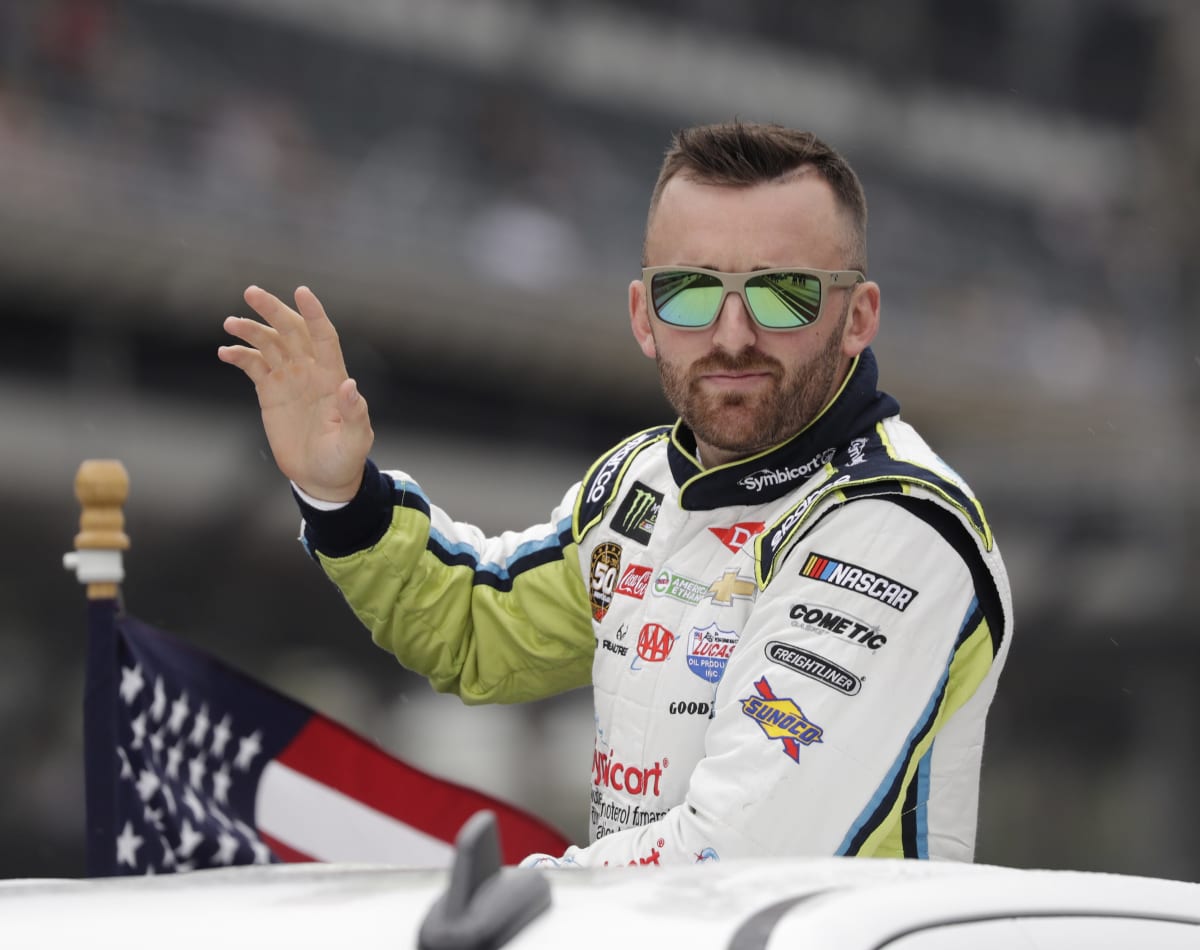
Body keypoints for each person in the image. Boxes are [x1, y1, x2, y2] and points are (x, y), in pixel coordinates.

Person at [218, 121, 1013, 868]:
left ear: (857, 316)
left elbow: (732, 856)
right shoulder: (639, 482)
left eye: (785, 294)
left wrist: (502, 904)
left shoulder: (899, 524)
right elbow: (476, 630)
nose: (732, 333)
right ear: (643, 315)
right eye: (690, 293)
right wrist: (341, 496)